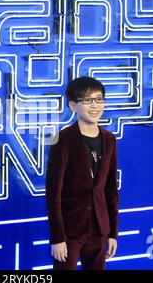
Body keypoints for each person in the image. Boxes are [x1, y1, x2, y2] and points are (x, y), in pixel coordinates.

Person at [45, 76, 119, 270]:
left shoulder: (110, 140)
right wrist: (57, 238)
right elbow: (54, 193)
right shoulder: (61, 139)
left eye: (99, 99)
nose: (94, 105)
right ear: (73, 106)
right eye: (87, 100)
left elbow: (110, 190)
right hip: (70, 230)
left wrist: (112, 233)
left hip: (99, 229)